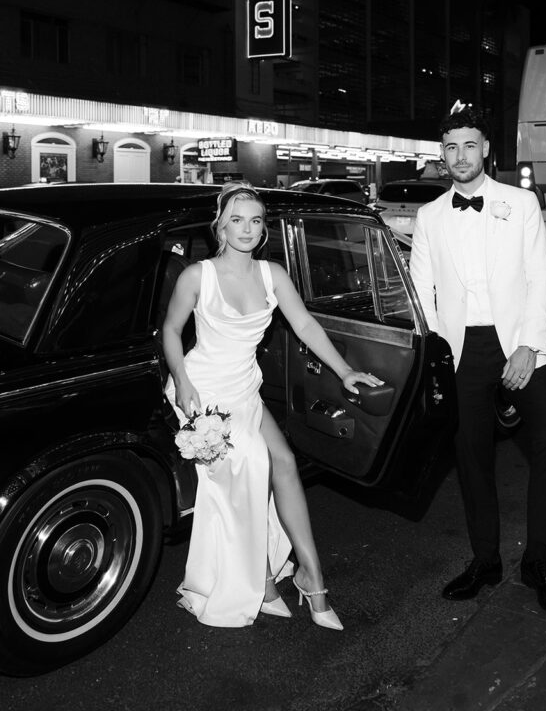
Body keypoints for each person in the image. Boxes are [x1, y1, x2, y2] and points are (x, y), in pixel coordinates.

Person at [162, 182, 383, 630]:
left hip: (245, 386)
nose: (247, 229)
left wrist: (345, 372)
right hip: (203, 392)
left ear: (264, 229)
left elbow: (305, 325)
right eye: (236, 220)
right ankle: (261, 579)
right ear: (220, 226)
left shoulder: (272, 274)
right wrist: (182, 381)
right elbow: (170, 330)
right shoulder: (197, 275)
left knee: (283, 462)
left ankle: (311, 576)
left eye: (256, 221)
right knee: (250, 470)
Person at [409, 107, 546, 619]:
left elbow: (541, 277)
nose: (460, 155)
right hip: (461, 349)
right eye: (451, 147)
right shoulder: (429, 216)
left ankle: (538, 561)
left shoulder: (521, 203)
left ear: (485, 149)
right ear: (442, 155)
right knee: (471, 454)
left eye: (469, 145)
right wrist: (437, 354)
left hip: (519, 342)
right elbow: (421, 291)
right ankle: (486, 561)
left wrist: (530, 345)